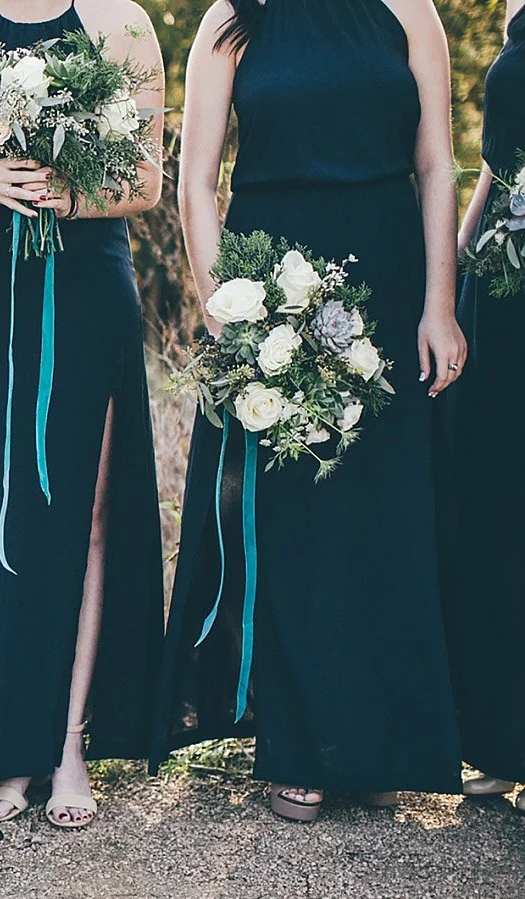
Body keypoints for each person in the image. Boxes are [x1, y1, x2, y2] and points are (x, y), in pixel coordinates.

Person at [154, 0, 466, 821]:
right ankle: (297, 745)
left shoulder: (410, 11)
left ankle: (377, 744)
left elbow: (437, 164)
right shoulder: (231, 19)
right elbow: (196, 178)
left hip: (390, 280)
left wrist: (440, 303)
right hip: (273, 282)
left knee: (380, 516)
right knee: (295, 519)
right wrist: (225, 305)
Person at [0, 0, 165, 829]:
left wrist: (70, 193)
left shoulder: (122, 20)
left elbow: (148, 180)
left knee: (82, 515)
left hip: (87, 280)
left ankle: (67, 742)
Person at [448, 0, 525, 813]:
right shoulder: (515, 13)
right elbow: (497, 163)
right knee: (496, 504)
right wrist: (454, 267)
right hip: (503, 289)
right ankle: (502, 736)